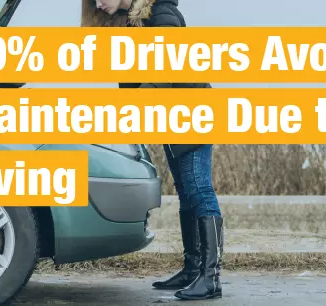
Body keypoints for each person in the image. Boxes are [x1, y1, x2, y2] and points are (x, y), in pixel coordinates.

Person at [81, 0, 224, 300]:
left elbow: (164, 73)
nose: (98, 3)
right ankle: (192, 268)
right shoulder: (130, 23)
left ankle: (211, 278)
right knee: (186, 194)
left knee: (200, 191)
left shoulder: (163, 15)